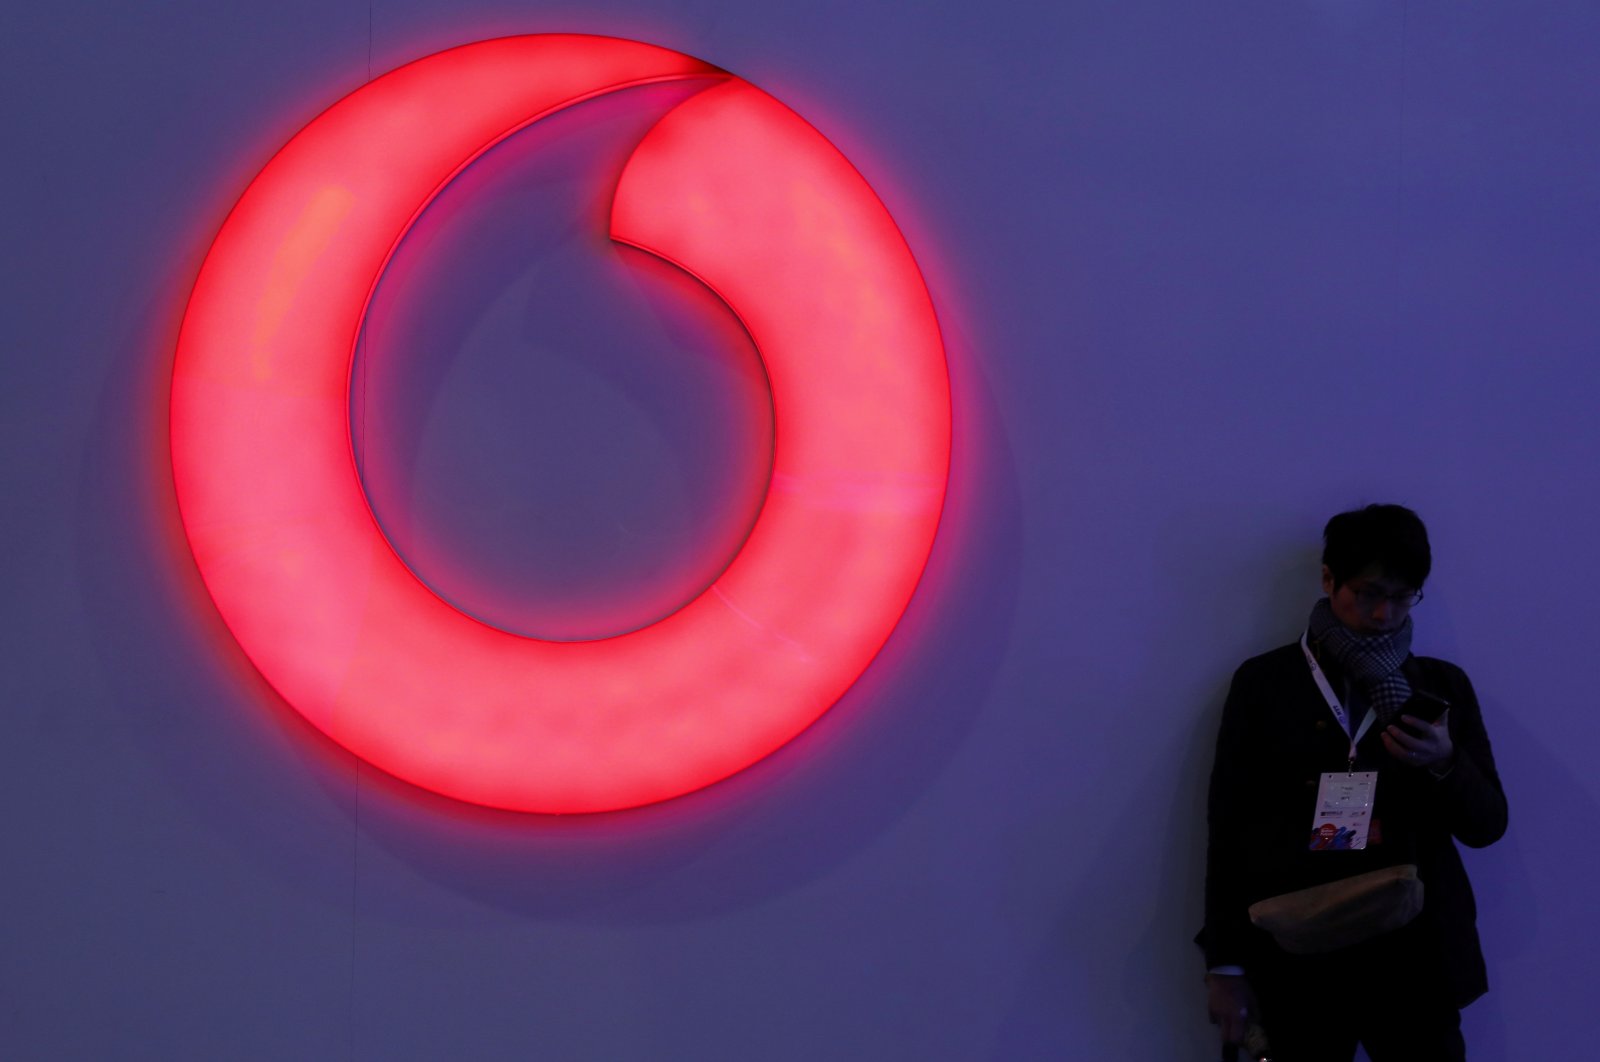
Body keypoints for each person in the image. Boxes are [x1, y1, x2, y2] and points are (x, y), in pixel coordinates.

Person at [1196, 504, 1507, 1060]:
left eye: (1404, 595)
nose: (1385, 613)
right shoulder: (1265, 684)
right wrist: (1225, 963)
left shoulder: (1438, 686)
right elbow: (1229, 828)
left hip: (1417, 960)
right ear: (1327, 579)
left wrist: (1444, 760)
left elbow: (1488, 824)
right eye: (1368, 592)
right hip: (1298, 958)